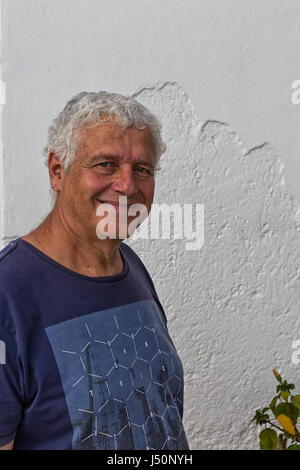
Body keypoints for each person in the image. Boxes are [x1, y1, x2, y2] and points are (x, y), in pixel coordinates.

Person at [0, 91, 189, 450]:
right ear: (58, 171)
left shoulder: (130, 267)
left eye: (142, 170)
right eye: (105, 164)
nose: (127, 186)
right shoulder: (8, 293)